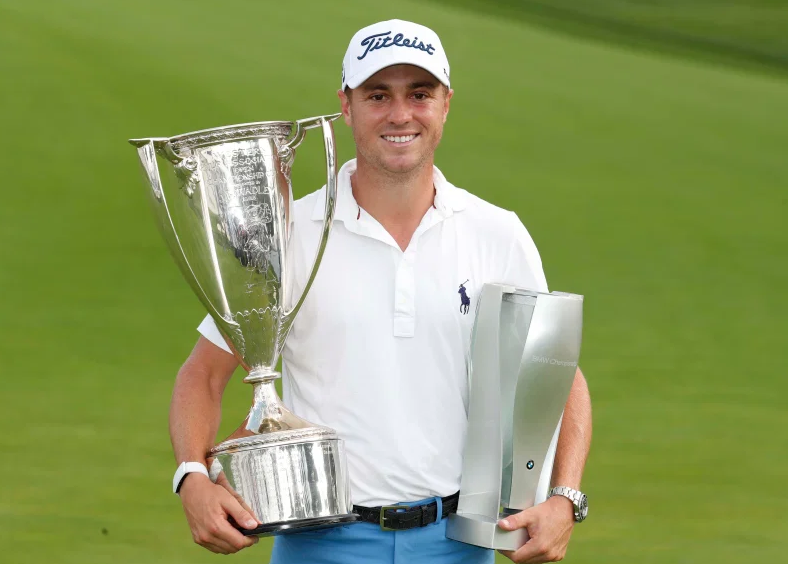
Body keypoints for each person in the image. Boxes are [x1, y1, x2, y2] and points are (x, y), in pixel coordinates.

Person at [168, 19, 592, 564]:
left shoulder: (496, 233)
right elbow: (202, 373)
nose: (399, 114)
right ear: (346, 106)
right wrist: (192, 477)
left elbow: (556, 373)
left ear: (445, 104)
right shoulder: (290, 235)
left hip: (457, 543)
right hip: (320, 543)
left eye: (419, 94)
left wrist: (564, 498)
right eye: (377, 95)